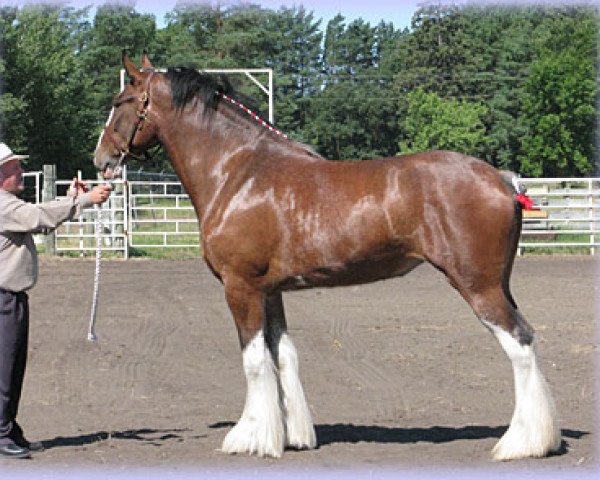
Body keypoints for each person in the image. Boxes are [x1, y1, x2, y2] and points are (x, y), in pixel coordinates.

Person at [0, 142, 112, 459]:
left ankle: (8, 428)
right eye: (14, 167)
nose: (20, 171)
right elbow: (38, 217)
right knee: (5, 367)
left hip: (11, 297)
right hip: (4, 298)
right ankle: (1, 431)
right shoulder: (4, 206)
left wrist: (74, 200)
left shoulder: (7, 204)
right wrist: (84, 201)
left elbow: (38, 214)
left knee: (13, 366)